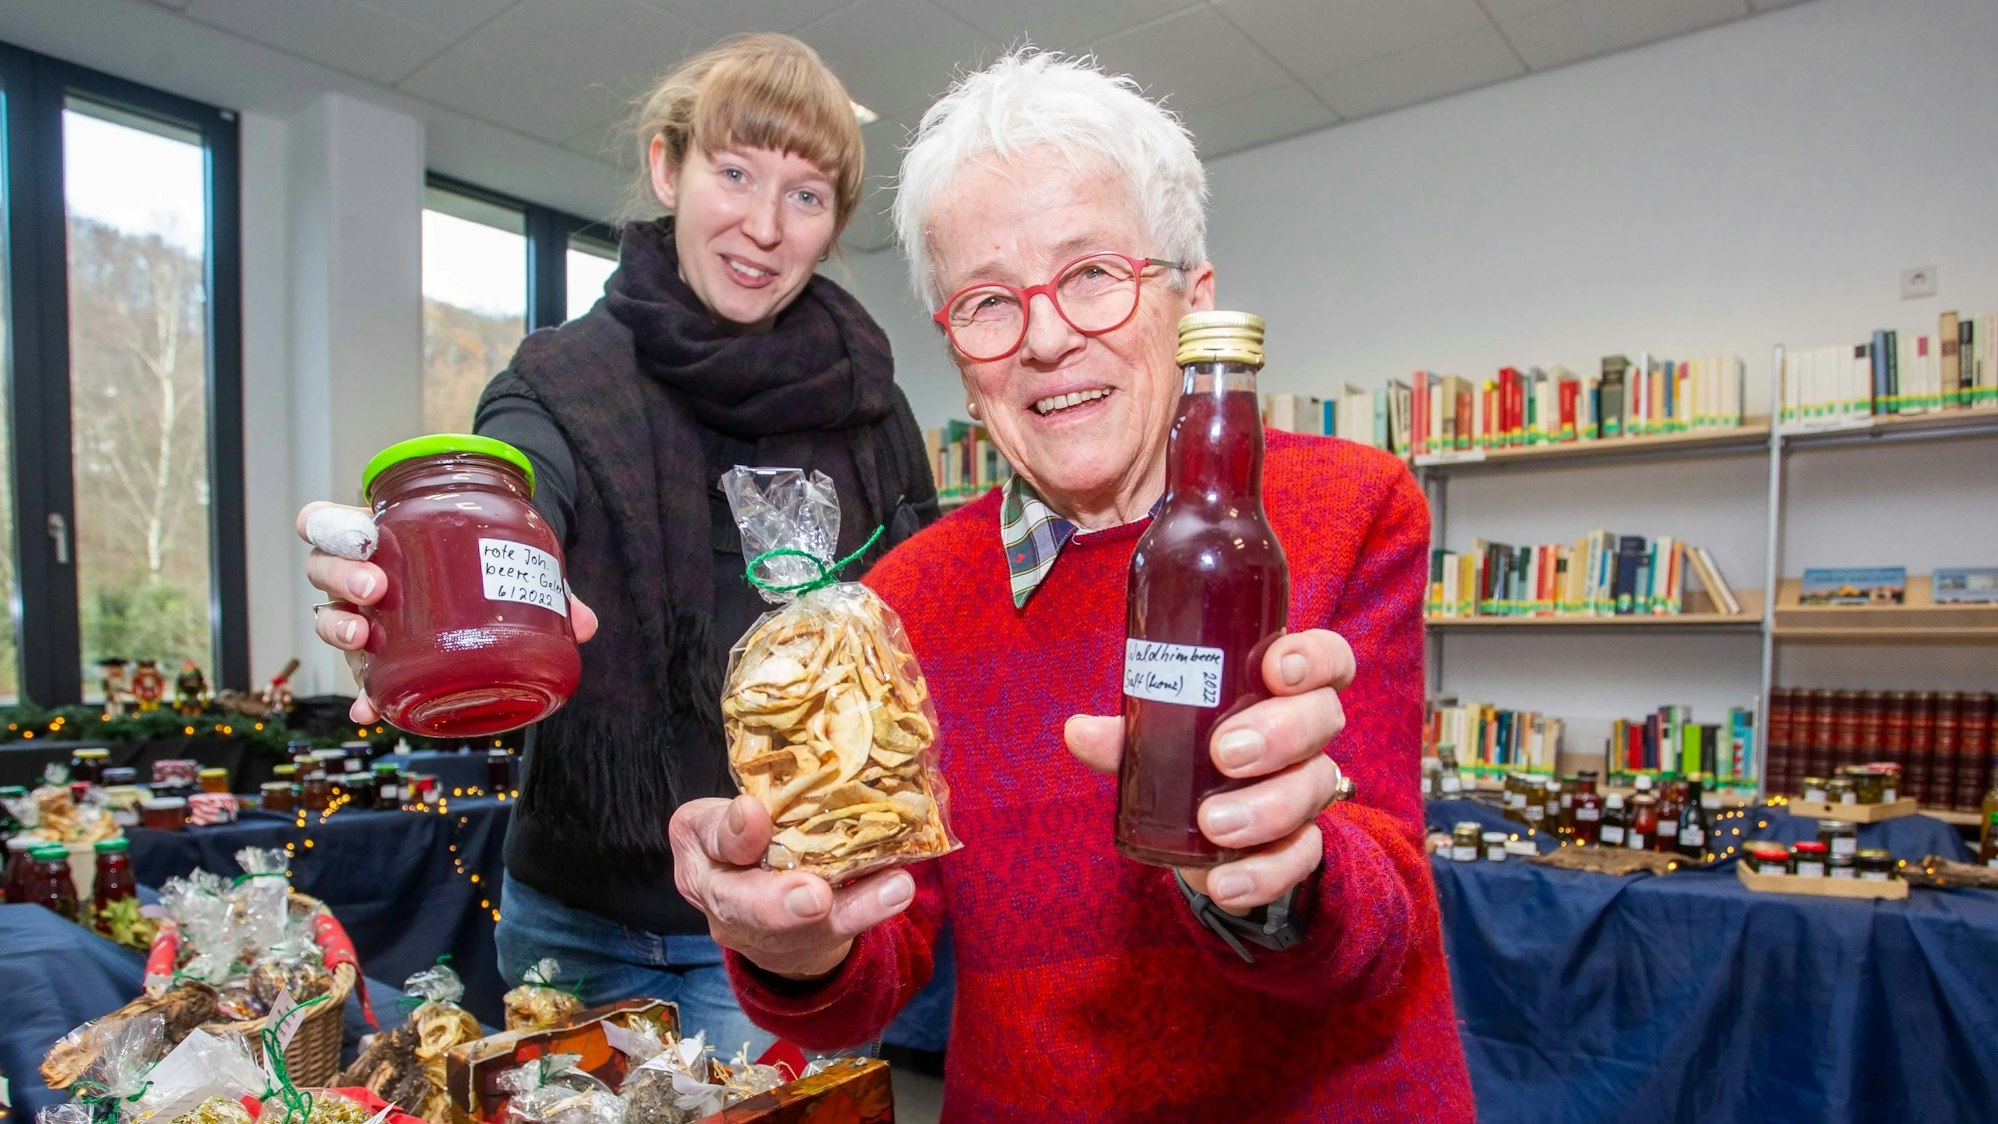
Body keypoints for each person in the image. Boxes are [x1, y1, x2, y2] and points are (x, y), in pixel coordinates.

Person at [667, 49, 1475, 1119]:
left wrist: (1290, 873)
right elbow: (883, 950)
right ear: (955, 348)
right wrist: (797, 941)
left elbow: (1383, 927)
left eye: (1093, 274)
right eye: (987, 302)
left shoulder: (1346, 508)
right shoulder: (908, 592)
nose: (1046, 338)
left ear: (1193, 304)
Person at [298, 34, 937, 1054]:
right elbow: (513, 488)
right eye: (734, 172)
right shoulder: (562, 379)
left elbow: (922, 623)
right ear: (667, 166)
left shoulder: (873, 411)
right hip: (578, 921)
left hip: (792, 924)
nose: (764, 227)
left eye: (806, 195)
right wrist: (419, 578)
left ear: (835, 222)